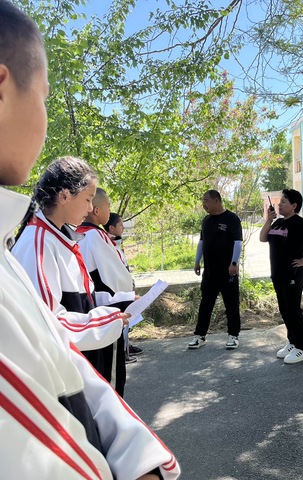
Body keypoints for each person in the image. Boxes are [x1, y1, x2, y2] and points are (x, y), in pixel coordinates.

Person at [0, 3, 179, 477]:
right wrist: (109, 316)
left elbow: (54, 360)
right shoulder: (34, 244)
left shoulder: (45, 239)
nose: (93, 207)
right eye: (42, 96)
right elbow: (54, 342)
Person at [13, 157, 130, 385]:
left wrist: (123, 301)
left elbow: (81, 299)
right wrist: (108, 320)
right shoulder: (39, 243)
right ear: (65, 196)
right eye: (87, 199)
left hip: (78, 362)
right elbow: (50, 324)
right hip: (62, 373)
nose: (89, 209)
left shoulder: (61, 237)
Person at [77, 188, 137, 396]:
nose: (110, 210)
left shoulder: (77, 233)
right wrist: (129, 295)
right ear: (96, 210)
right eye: (108, 206)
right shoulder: (96, 236)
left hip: (88, 311)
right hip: (108, 311)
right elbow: (116, 277)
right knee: (111, 375)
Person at [259, 188, 303, 364]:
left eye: (284, 202)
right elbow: (263, 238)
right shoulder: (278, 223)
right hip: (278, 274)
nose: (279, 204)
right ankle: (292, 342)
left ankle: (302, 349)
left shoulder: (299, 223)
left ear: (294, 206)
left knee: (293, 309)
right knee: (284, 309)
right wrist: (268, 220)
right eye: (280, 202)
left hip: (294, 274)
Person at [188, 189, 242, 350]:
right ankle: (200, 336)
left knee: (231, 304)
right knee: (206, 304)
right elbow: (201, 242)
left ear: (217, 201)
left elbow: (237, 242)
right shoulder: (206, 220)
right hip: (210, 271)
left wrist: (234, 263)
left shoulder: (232, 219)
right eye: (203, 201)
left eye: (206, 200)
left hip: (227, 271)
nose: (204, 204)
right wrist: (197, 261)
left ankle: (233, 335)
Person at [104, 211, 144, 363]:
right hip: (117, 292)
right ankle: (123, 351)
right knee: (122, 319)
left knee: (127, 319)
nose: (123, 227)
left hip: (126, 289)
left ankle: (126, 347)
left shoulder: (116, 243)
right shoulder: (106, 244)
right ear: (112, 228)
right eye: (120, 225)